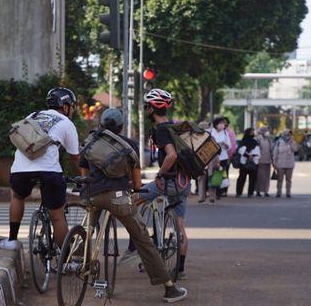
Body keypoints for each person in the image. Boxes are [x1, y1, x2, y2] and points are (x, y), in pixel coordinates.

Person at [79, 108, 187, 303]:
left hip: (92, 195)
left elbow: (84, 170)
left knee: (87, 230)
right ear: (120, 126)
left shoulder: (91, 140)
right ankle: (169, 288)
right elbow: (137, 184)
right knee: (143, 239)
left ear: (102, 124)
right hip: (119, 198)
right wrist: (134, 186)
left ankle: (78, 261)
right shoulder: (129, 145)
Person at [0, 87, 80, 251]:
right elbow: (75, 158)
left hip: (20, 169)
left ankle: (12, 240)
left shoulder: (32, 116)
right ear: (65, 106)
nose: (72, 110)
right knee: (57, 216)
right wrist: (83, 177)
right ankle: (66, 261)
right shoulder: (66, 123)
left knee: (17, 197)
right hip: (49, 171)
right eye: (72, 106)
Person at [125, 88, 191, 281]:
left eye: (147, 106)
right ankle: (180, 269)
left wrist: (160, 174)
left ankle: (136, 243)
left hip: (168, 182)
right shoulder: (175, 127)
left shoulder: (161, 130)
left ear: (152, 109)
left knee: (132, 200)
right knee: (180, 226)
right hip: (183, 182)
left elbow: (171, 155)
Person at [210, 117, 231, 199]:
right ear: (216, 124)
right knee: (214, 174)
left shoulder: (225, 133)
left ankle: (220, 192)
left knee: (221, 173)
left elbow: (229, 146)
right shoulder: (211, 132)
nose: (223, 125)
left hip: (223, 156)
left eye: (223, 123)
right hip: (213, 157)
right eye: (221, 123)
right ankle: (213, 192)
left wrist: (225, 144)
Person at [273, 129, 298, 198]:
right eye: (287, 134)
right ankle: (278, 192)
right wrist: (274, 163)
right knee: (280, 179)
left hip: (289, 164)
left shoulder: (292, 142)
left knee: (288, 180)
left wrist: (291, 142)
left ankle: (288, 193)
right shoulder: (279, 142)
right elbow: (275, 153)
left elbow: (295, 150)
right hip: (280, 164)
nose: (289, 136)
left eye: (290, 134)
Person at [235, 128, 260, 197]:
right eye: (251, 132)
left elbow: (257, 151)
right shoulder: (243, 141)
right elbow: (240, 150)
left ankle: (250, 193)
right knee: (242, 178)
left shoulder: (255, 142)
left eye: (253, 132)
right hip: (244, 162)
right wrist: (247, 155)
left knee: (252, 178)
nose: (252, 133)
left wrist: (252, 156)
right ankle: (239, 192)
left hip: (253, 162)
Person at [255, 126, 273, 197]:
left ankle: (266, 191)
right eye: (266, 131)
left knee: (267, 177)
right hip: (260, 161)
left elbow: (271, 149)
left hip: (268, 161)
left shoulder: (269, 140)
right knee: (259, 177)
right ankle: (258, 191)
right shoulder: (258, 139)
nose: (267, 132)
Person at [223, 117, 237, 196]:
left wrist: (229, 157)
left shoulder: (230, 132)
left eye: (225, 122)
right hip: (218, 157)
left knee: (225, 173)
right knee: (218, 173)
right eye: (222, 122)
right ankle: (219, 191)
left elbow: (233, 146)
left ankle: (225, 190)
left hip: (227, 157)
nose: (224, 124)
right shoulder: (218, 132)